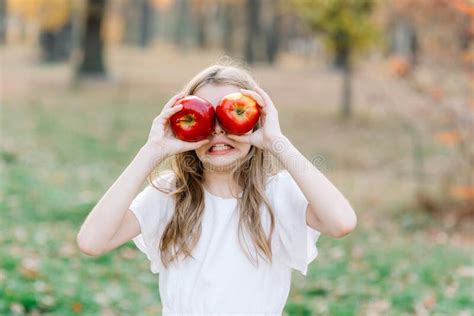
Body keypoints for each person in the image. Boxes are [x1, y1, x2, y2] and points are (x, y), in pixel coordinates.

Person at [77, 60, 357, 315]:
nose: (218, 132)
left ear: (257, 121)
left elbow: (341, 222)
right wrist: (151, 151)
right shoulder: (170, 194)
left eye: (230, 116)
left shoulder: (278, 194)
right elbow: (92, 241)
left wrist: (276, 142)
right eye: (206, 118)